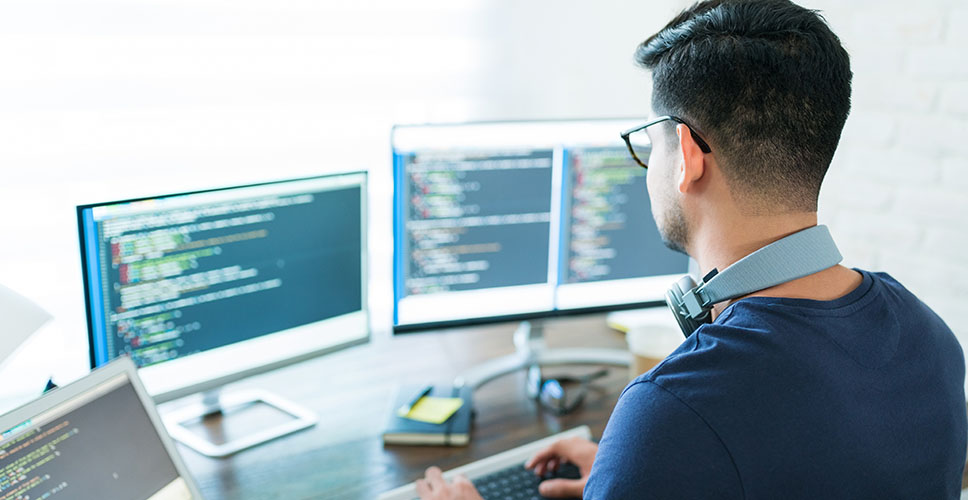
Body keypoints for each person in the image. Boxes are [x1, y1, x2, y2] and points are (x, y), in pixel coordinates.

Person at [414, 0, 968, 498]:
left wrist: (649, 459)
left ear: (686, 155)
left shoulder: (675, 413)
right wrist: (631, 474)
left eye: (648, 144)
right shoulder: (930, 335)